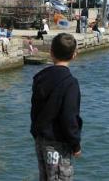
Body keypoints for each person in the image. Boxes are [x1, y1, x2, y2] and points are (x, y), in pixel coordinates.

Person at [31, 33, 82, 181]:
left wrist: (35, 132)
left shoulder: (40, 77)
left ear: (51, 52)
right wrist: (76, 145)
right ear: (74, 55)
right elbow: (69, 118)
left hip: (40, 140)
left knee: (45, 177)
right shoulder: (70, 83)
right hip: (57, 144)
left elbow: (35, 110)